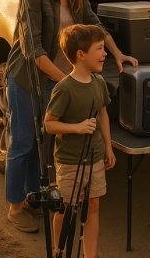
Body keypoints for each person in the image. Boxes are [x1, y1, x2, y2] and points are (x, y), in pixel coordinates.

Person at [4, 0, 137, 233]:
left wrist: (118, 54)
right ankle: (15, 207)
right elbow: (32, 50)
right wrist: (68, 81)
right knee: (24, 141)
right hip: (28, 78)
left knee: (44, 142)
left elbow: (95, 27)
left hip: (59, 79)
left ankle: (32, 199)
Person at [45, 24, 116, 258]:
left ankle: (90, 255)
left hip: (95, 157)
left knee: (93, 206)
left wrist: (108, 146)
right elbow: (49, 124)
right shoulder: (64, 89)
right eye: (100, 48)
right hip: (70, 161)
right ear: (81, 55)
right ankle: (58, 249)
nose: (105, 53)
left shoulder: (99, 83)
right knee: (67, 207)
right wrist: (77, 128)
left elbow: (103, 114)